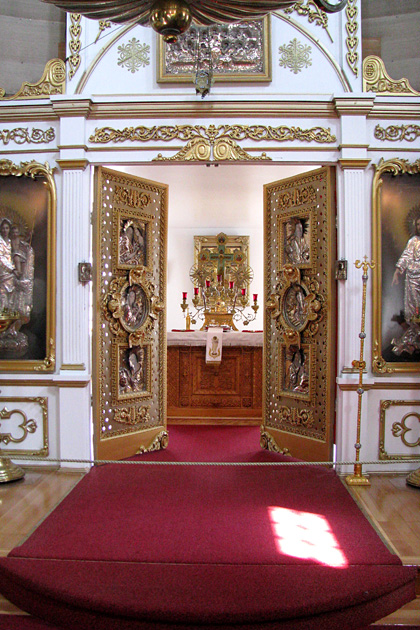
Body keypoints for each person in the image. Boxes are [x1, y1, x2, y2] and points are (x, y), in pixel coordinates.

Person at [391, 215, 420, 355]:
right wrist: (397, 272)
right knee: (414, 305)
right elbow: (406, 256)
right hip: (413, 277)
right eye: (418, 224)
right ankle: (413, 337)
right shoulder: (413, 241)